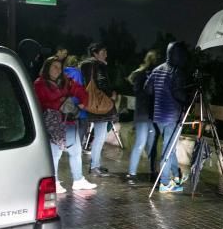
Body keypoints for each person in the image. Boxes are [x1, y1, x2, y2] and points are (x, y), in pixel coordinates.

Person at [32, 56, 97, 193]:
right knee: (55, 154)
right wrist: (61, 103)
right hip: (53, 124)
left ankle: (78, 180)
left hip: (68, 122)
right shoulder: (39, 84)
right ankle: (54, 182)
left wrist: (82, 103)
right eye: (54, 67)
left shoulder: (65, 81)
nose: (57, 70)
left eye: (59, 68)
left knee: (76, 151)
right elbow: (39, 105)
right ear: (47, 67)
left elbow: (80, 91)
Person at [146, 41, 189, 192]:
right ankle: (164, 183)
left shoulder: (157, 69)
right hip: (172, 116)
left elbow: (148, 89)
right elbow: (178, 93)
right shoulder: (176, 71)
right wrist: (188, 98)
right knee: (168, 149)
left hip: (158, 116)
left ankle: (176, 176)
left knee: (170, 147)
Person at [79, 42, 118, 177]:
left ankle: (96, 164)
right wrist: (110, 95)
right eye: (103, 52)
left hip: (90, 102)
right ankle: (95, 166)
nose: (106, 55)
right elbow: (101, 82)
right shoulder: (98, 65)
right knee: (100, 136)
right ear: (95, 53)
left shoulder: (85, 65)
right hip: (100, 103)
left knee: (98, 135)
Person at [126, 50, 159, 185]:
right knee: (145, 144)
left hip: (144, 114)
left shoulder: (141, 74)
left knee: (145, 144)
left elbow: (136, 89)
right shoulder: (149, 74)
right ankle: (136, 172)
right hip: (148, 114)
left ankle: (140, 172)